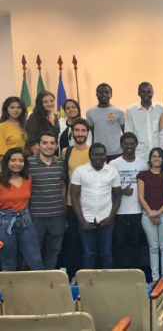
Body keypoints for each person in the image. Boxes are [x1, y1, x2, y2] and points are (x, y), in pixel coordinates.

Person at [70, 143, 122, 269]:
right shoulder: (79, 171)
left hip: (106, 218)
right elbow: (74, 197)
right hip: (86, 218)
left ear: (105, 156)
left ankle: (107, 284)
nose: (98, 157)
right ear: (89, 156)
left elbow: (118, 196)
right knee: (88, 253)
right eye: (95, 154)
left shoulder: (112, 171)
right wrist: (82, 221)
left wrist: (110, 218)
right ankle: (89, 284)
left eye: (101, 154)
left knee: (106, 252)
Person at [109, 132, 148, 269]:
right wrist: (122, 191)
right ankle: (120, 271)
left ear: (136, 145)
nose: (129, 146)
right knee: (119, 243)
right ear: (121, 145)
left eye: (132, 143)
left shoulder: (143, 163)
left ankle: (135, 271)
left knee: (136, 242)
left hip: (137, 210)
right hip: (119, 210)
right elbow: (107, 187)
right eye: (126, 144)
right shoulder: (114, 164)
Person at [0, 147, 44, 271]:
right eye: (13, 160)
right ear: (7, 162)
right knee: (8, 263)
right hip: (4, 224)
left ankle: (40, 290)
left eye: (20, 161)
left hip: (25, 221)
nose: (17, 164)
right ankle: (9, 291)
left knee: (36, 261)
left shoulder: (28, 179)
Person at [28, 132, 66, 270]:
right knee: (33, 251)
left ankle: (49, 280)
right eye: (45, 143)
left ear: (56, 146)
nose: (48, 146)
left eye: (52, 143)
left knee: (54, 251)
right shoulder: (28, 163)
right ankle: (35, 282)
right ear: (38, 145)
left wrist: (64, 210)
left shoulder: (61, 163)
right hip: (36, 216)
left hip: (57, 216)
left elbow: (62, 185)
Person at [137, 147, 163, 284]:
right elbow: (141, 197)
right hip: (147, 214)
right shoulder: (143, 175)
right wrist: (151, 213)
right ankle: (155, 278)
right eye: (153, 156)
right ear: (150, 159)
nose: (156, 159)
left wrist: (158, 213)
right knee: (153, 247)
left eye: (159, 156)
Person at [62, 118, 91, 281]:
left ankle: (89, 275)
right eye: (77, 131)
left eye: (83, 131)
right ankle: (74, 274)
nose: (80, 134)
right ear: (72, 133)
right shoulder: (67, 152)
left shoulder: (93, 150)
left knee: (90, 243)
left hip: (91, 203)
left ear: (88, 133)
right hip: (71, 203)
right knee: (73, 241)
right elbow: (64, 178)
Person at [126, 82, 163, 160]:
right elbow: (129, 133)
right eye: (143, 92)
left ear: (153, 93)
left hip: (157, 154)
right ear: (138, 93)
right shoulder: (131, 110)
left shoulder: (161, 108)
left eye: (148, 92)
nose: (146, 94)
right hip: (139, 154)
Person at [86, 83, 125, 162]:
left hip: (116, 152)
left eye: (107, 92)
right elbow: (91, 133)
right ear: (96, 94)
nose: (104, 94)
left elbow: (125, 132)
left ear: (111, 95)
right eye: (101, 92)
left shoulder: (119, 112)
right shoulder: (90, 112)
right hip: (98, 153)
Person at [26, 91, 60, 155]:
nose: (49, 104)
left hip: (54, 154)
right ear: (40, 104)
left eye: (51, 101)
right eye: (45, 102)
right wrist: (39, 159)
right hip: (40, 156)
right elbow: (32, 141)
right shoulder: (34, 117)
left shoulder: (56, 117)